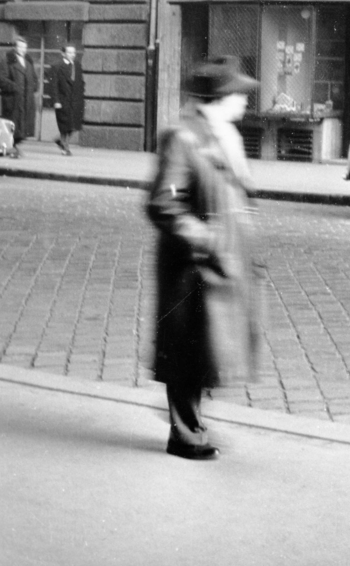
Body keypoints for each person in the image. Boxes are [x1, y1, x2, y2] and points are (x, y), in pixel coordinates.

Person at [145, 55, 262, 461]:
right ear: (220, 96)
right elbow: (164, 204)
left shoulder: (224, 134)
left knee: (206, 350)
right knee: (186, 352)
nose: (246, 101)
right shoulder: (183, 136)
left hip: (218, 266)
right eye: (240, 93)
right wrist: (208, 239)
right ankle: (185, 435)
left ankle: (189, 423)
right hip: (191, 268)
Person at [0, 36, 37, 159]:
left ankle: (14, 148)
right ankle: (12, 148)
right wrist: (15, 87)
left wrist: (34, 87)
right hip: (13, 100)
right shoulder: (7, 61)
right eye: (20, 46)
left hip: (26, 100)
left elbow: (34, 78)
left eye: (25, 47)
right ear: (15, 47)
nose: (23, 49)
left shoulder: (28, 62)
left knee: (23, 128)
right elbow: (0, 79)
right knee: (14, 126)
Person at [51, 43, 85, 155]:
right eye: (69, 52)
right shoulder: (57, 66)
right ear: (63, 53)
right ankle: (65, 148)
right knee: (64, 125)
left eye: (74, 52)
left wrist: (81, 96)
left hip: (75, 101)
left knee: (74, 125)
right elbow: (54, 85)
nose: (72, 55)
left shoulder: (77, 65)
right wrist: (56, 101)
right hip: (63, 100)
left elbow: (81, 82)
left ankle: (61, 142)